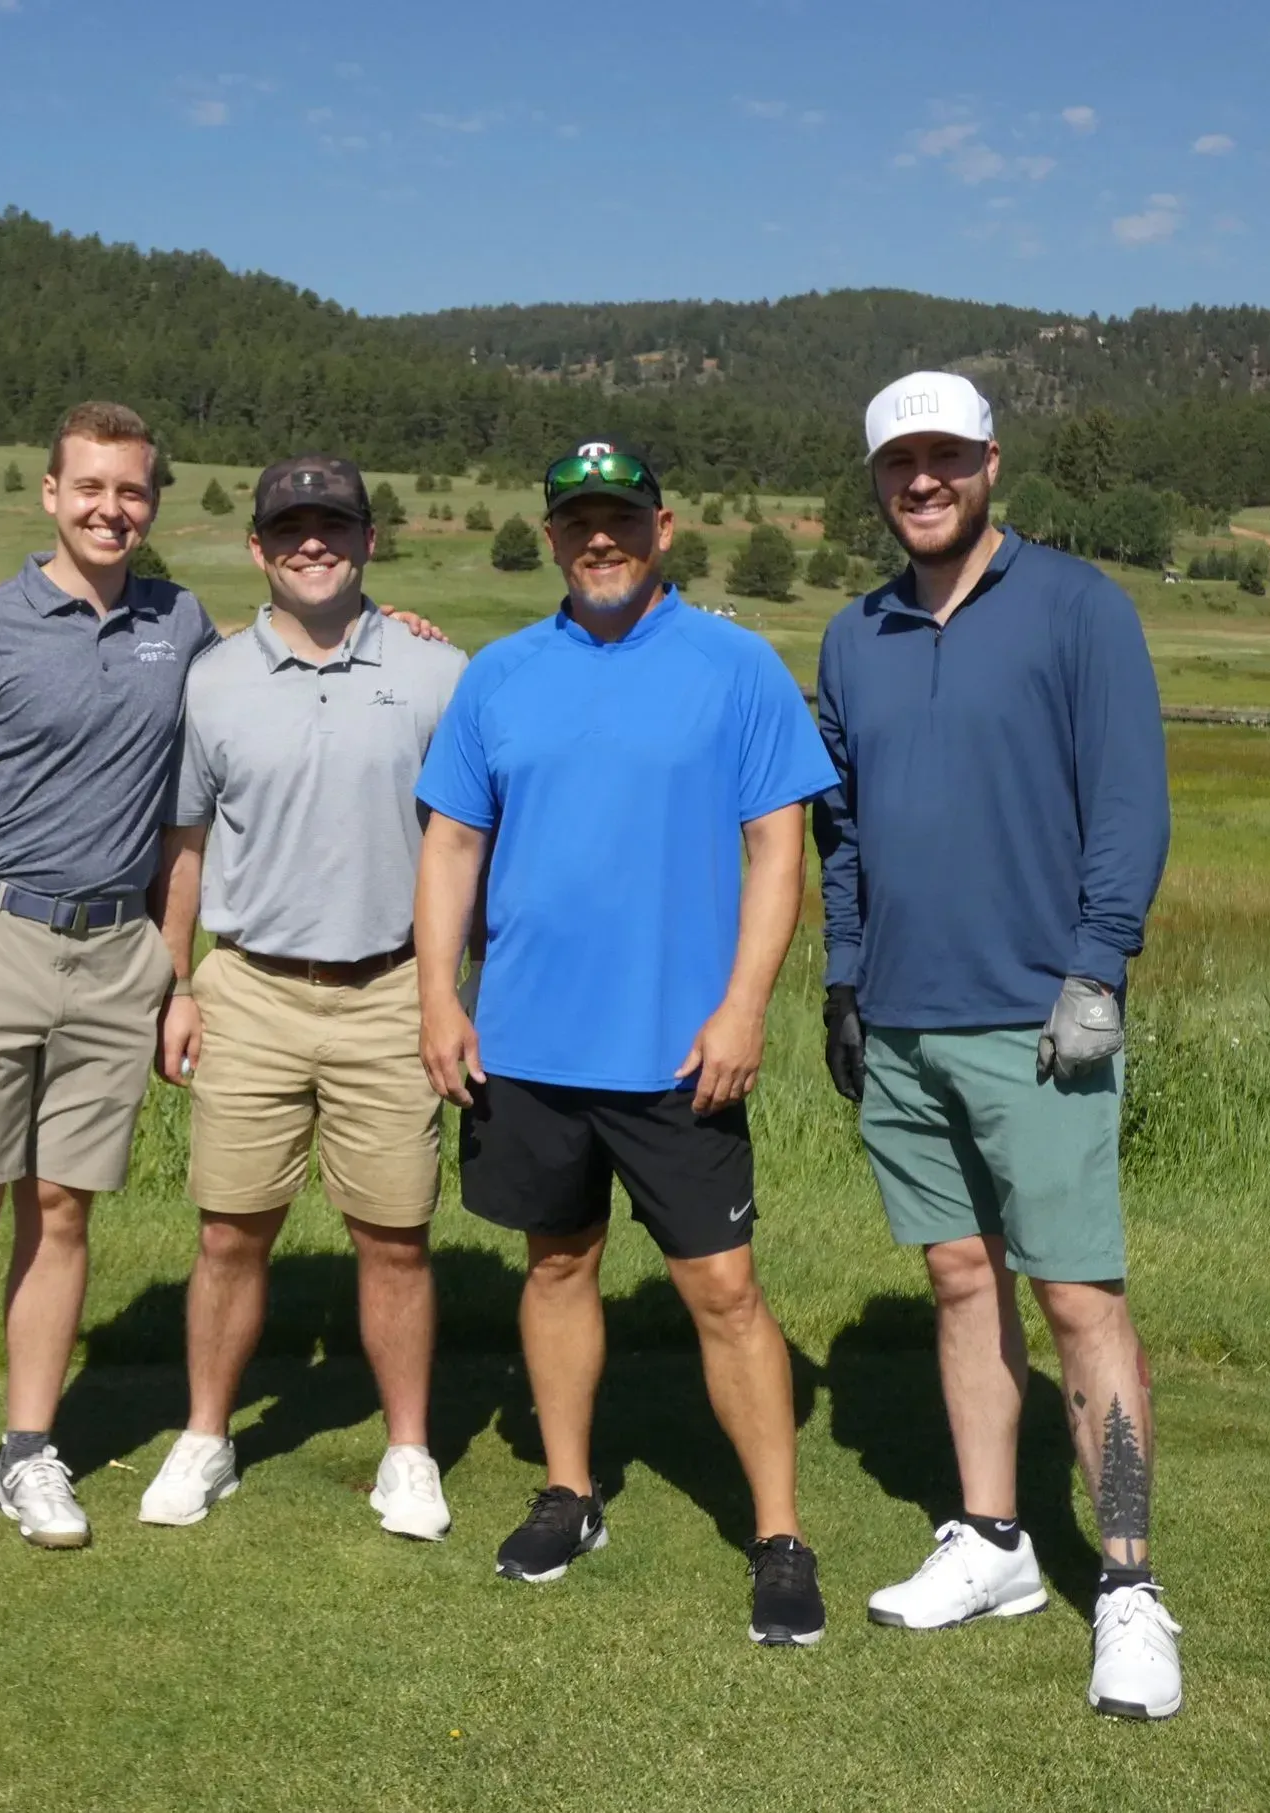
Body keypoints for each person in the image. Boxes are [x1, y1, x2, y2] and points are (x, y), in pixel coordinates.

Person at [412, 438, 840, 1646]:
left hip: (678, 1050)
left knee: (724, 1288)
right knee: (556, 1265)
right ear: (550, 536)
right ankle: (570, 1489)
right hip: (530, 1045)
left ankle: (779, 1531)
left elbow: (776, 847)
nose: (599, 539)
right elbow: (450, 847)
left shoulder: (736, 665)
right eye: (576, 522)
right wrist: (439, 999)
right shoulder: (497, 676)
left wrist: (748, 1001)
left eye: (620, 519)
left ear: (664, 527)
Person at [812, 371, 1180, 1718]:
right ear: (877, 478)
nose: (924, 480)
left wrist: (1101, 968)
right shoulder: (854, 635)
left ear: (989, 463)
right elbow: (840, 830)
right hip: (903, 1025)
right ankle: (995, 1540)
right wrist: (844, 982)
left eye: (947, 457)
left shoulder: (1079, 607)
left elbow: (1129, 805)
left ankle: (1130, 1582)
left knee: (1080, 1302)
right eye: (900, 461)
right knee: (962, 1283)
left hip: (1038, 1025)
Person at [0, 402, 217, 1566]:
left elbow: (196, 806)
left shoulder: (186, 623)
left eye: (133, 491)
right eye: (92, 489)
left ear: (152, 502)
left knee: (62, 1209)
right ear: (49, 495)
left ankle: (27, 1448)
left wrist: (175, 971)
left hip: (121, 955)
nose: (112, 509)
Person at [136, 455, 468, 1540]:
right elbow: (184, 844)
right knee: (231, 1230)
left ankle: (409, 1452)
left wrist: (448, 995)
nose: (311, 544)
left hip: (389, 992)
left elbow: (469, 844)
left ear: (370, 541)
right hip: (250, 990)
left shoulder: (437, 672)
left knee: (396, 1236)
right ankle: (206, 1435)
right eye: (291, 529)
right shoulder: (213, 679)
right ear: (258, 549)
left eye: (333, 526)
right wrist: (177, 984)